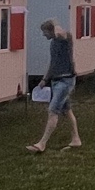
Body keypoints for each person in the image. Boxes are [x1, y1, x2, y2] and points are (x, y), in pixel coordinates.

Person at [27, 19, 82, 153]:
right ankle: (76, 139)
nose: (43, 35)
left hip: (66, 81)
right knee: (67, 110)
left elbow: (62, 34)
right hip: (56, 81)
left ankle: (42, 144)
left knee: (53, 110)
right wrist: (44, 79)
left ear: (52, 30)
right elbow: (52, 63)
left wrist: (55, 25)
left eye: (45, 32)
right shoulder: (52, 44)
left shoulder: (66, 39)